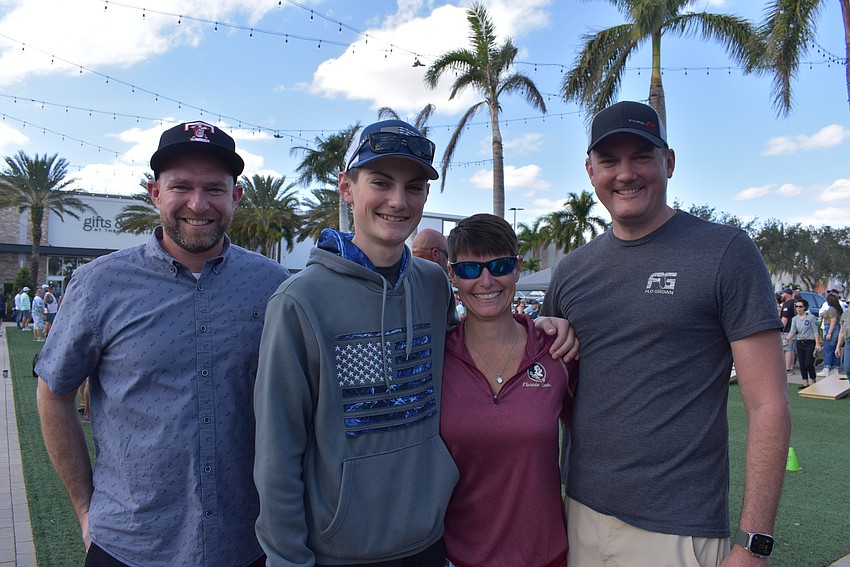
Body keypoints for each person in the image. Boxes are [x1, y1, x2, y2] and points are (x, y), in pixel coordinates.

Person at [253, 119, 577, 567]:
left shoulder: (430, 285)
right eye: (381, 183)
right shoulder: (298, 301)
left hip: (431, 541)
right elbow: (277, 451)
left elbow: (478, 334)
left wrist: (540, 324)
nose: (397, 200)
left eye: (414, 187)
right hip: (342, 550)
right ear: (347, 188)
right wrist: (287, 559)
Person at [543, 101, 791, 566]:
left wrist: (754, 543)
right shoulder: (572, 271)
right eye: (609, 161)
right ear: (590, 171)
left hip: (677, 530)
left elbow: (769, 405)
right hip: (577, 513)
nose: (625, 174)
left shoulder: (726, 252)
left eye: (641, 156)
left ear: (669, 162)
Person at [35, 120, 290, 567]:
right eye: (181, 187)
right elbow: (53, 395)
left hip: (247, 546)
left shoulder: (272, 285)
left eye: (214, 188)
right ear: (155, 193)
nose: (198, 204)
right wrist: (83, 510)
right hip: (129, 547)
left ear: (236, 196)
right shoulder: (99, 285)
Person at [441, 214, 576, 567]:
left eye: (499, 265)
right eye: (470, 269)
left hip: (546, 556)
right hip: (458, 557)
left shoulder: (555, 350)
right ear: (453, 276)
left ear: (517, 269)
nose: (485, 281)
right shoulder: (436, 360)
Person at [787, 298, 821, 388]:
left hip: (810, 342)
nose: (798, 308)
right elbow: (793, 330)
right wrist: (787, 339)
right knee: (802, 363)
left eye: (800, 306)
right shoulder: (795, 319)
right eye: (797, 306)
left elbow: (815, 331)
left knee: (808, 363)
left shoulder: (811, 317)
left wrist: (817, 343)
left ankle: (813, 380)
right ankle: (805, 382)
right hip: (800, 342)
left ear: (805, 307)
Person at [819, 294, 843, 376]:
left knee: (828, 349)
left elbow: (833, 320)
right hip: (836, 329)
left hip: (831, 328)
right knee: (836, 349)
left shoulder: (831, 309)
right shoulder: (837, 309)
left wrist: (829, 333)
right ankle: (835, 367)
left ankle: (827, 367)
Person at [779, 287, 797, 372]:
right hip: (794, 330)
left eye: (783, 293)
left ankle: (787, 368)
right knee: (791, 349)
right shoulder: (795, 303)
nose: (782, 295)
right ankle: (791, 366)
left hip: (788, 330)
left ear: (787, 294)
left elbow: (785, 318)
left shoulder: (787, 304)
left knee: (787, 349)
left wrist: (781, 329)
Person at [835, 300, 850, 381]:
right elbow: (841, 331)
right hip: (848, 343)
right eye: (847, 302)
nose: (849, 304)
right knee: (847, 369)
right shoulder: (845, 314)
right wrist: (838, 346)